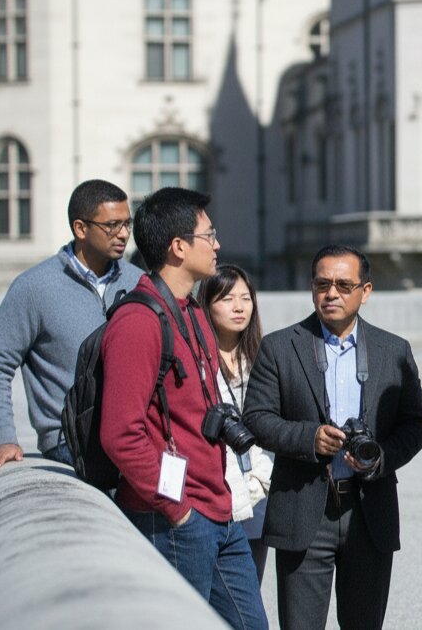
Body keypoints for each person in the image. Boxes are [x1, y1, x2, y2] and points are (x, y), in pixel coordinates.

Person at [100, 187, 266, 629]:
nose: (217, 245)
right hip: (175, 518)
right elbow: (120, 433)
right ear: (178, 247)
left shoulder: (193, 310)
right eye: (208, 235)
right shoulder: (138, 322)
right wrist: (179, 510)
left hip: (220, 511)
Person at [243, 244, 422, 629]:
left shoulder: (393, 350)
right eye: (323, 283)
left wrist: (380, 457)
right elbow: (257, 418)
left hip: (369, 511)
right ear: (311, 288)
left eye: (345, 285)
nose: (332, 293)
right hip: (302, 510)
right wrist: (309, 439)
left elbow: (417, 424)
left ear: (366, 290)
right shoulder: (279, 346)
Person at [0, 179, 143, 473]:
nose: (123, 234)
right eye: (112, 225)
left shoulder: (137, 281)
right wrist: (3, 439)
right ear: (80, 228)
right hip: (69, 446)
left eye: (127, 224)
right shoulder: (34, 287)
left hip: (133, 439)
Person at [198, 264, 274, 582]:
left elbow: (273, 428)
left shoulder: (264, 358)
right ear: (207, 304)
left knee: (249, 589)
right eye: (228, 298)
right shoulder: (196, 360)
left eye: (246, 297)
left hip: (258, 496)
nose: (239, 306)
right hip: (211, 495)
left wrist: (257, 484)